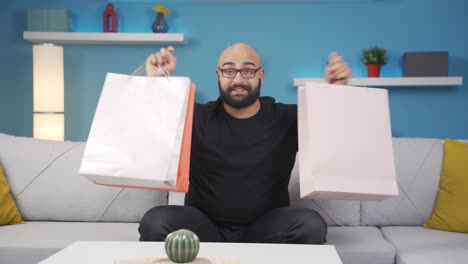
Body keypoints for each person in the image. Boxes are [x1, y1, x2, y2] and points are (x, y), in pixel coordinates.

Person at [139, 43, 351, 244]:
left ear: (261, 75)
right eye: (229, 71)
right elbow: (154, 127)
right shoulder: (195, 117)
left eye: (248, 71)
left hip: (266, 229)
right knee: (155, 221)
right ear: (218, 75)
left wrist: (334, 92)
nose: (238, 79)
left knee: (311, 224)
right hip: (203, 228)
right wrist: (155, 82)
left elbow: (331, 133)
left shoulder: (287, 118)